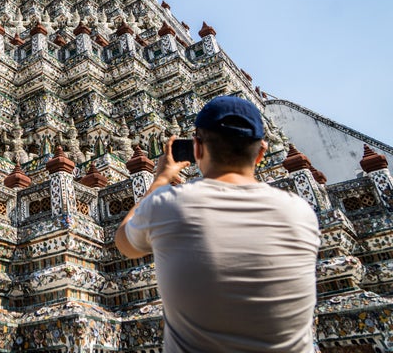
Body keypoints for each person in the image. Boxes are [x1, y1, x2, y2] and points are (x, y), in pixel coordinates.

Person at [115, 96, 320, 353]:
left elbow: (124, 242)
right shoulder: (301, 212)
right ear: (261, 153)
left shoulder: (169, 206)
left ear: (197, 148)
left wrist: (160, 179)